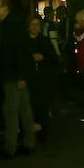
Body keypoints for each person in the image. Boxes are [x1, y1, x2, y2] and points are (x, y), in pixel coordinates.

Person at [0, 0, 36, 159]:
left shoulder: (9, 26)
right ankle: (28, 143)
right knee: (24, 110)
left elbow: (17, 52)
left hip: (12, 74)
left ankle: (10, 148)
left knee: (11, 111)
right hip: (16, 74)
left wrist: (20, 75)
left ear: (6, 8)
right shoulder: (13, 24)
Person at [27, 15, 58, 143]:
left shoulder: (44, 41)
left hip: (42, 78)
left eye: (37, 25)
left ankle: (43, 132)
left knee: (42, 105)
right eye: (32, 24)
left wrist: (43, 58)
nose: (35, 27)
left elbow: (53, 58)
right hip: (29, 78)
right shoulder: (24, 41)